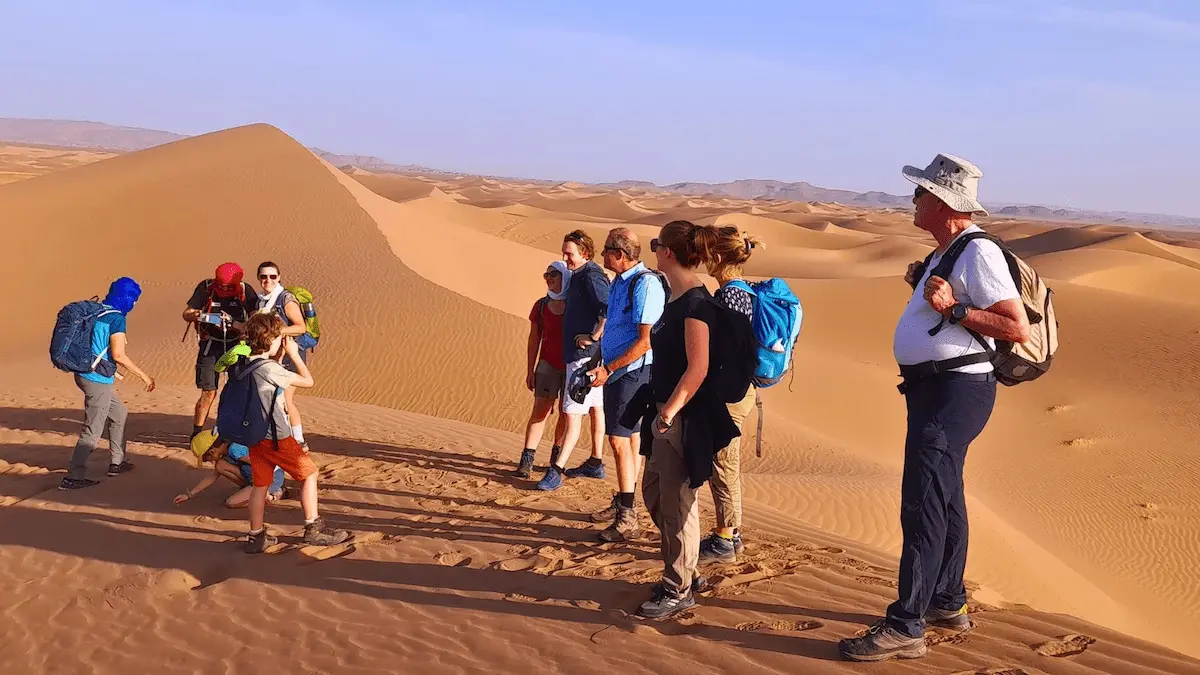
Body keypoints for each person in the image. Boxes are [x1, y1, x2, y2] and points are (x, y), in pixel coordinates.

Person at [839, 154, 1030, 662]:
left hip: (955, 391)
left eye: (921, 194)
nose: (914, 201)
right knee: (943, 495)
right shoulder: (949, 252)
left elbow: (1015, 327)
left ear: (945, 203)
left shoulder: (977, 253)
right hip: (936, 390)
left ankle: (906, 624)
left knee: (921, 499)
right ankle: (947, 599)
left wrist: (955, 309)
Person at [631, 220, 742, 620]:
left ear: (669, 254)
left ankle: (679, 587)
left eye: (657, 244)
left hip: (681, 418)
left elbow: (698, 368)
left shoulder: (696, 303)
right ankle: (684, 570)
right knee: (656, 493)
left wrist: (670, 410)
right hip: (664, 414)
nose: (655, 249)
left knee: (679, 504)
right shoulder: (678, 300)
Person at [234, 313, 349, 553]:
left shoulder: (245, 365)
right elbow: (308, 381)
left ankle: (256, 536)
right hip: (277, 437)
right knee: (310, 475)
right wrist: (295, 355)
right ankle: (313, 529)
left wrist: (278, 355)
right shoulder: (270, 370)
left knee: (260, 485)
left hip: (255, 438)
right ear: (272, 339)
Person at [584, 228, 666, 542]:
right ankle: (623, 497)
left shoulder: (644, 284)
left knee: (618, 442)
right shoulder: (621, 281)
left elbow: (645, 342)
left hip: (632, 374)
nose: (602, 256)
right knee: (628, 441)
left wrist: (609, 368)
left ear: (620, 254)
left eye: (606, 250)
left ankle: (628, 516)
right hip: (617, 371)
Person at [694, 225, 762, 563]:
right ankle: (729, 533)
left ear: (718, 258)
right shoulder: (741, 291)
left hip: (731, 394)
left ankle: (725, 537)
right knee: (724, 464)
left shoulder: (731, 296)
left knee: (724, 465)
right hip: (736, 391)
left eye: (709, 255)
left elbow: (731, 351)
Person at [59, 277, 156, 490]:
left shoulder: (97, 310)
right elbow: (118, 354)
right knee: (93, 429)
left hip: (87, 373)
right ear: (126, 297)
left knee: (119, 413)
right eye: (134, 298)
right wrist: (144, 376)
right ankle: (73, 476)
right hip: (97, 379)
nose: (135, 303)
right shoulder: (116, 318)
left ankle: (117, 462)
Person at [536, 230, 610, 491]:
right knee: (595, 408)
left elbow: (607, 308)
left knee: (572, 413)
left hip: (583, 358)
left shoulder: (591, 276)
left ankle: (556, 470)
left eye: (569, 253)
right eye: (564, 252)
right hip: (590, 357)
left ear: (585, 253)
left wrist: (593, 337)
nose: (565, 257)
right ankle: (596, 461)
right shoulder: (581, 276)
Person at [182, 262, 257, 440]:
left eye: (228, 285)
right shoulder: (206, 287)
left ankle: (230, 433)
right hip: (210, 345)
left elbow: (256, 317)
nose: (223, 287)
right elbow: (187, 313)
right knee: (208, 392)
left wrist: (236, 324)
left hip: (237, 345)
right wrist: (201, 316)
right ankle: (196, 434)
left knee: (236, 391)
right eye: (221, 284)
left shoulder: (246, 291)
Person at [516, 261, 572, 478]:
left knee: (566, 414)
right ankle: (527, 458)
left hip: (570, 366)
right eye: (546, 275)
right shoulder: (541, 306)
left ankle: (556, 459)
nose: (549, 279)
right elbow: (533, 340)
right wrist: (530, 370)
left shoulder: (576, 307)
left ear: (564, 277)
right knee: (540, 411)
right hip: (547, 365)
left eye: (553, 275)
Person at [254, 261, 311, 449]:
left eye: (272, 276)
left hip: (290, 355)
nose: (267, 280)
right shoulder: (261, 300)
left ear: (279, 277)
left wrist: (277, 332)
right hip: (271, 358)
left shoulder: (285, 299)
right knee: (274, 401)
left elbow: (300, 327)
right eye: (263, 276)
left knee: (285, 400)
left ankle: (299, 441)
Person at [175, 430, 286, 508]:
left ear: (212, 451)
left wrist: (264, 490)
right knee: (220, 465)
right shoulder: (228, 449)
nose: (208, 461)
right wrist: (190, 495)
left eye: (206, 458)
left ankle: (273, 495)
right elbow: (212, 476)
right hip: (255, 477)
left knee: (231, 503)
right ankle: (252, 491)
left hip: (270, 477)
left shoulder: (235, 449)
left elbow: (262, 465)